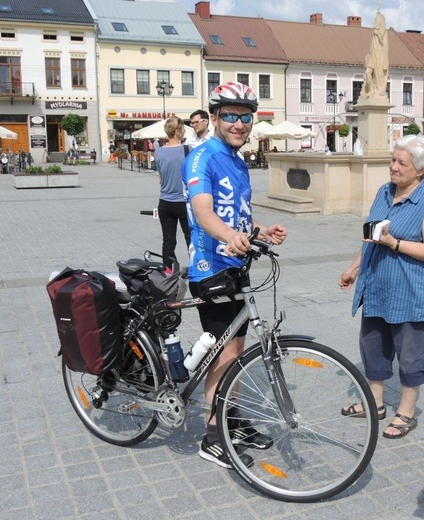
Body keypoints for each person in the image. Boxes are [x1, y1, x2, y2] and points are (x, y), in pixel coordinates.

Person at [182, 81, 288, 468]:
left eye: (245, 116)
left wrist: (261, 231)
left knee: (237, 353)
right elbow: (205, 211)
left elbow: (239, 215)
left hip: (237, 269)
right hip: (210, 269)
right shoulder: (201, 158)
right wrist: (229, 236)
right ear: (214, 118)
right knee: (223, 354)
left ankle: (234, 420)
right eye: (230, 115)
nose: (239, 123)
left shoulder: (238, 160)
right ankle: (213, 434)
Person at [339, 134, 424, 440]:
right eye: (393, 160)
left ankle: (407, 412)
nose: (394, 167)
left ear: (420, 170)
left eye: (402, 163)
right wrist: (353, 268)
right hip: (377, 287)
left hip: (410, 293)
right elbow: (372, 236)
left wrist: (395, 243)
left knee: (410, 353)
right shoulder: (384, 192)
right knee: (373, 347)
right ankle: (374, 405)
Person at [154, 116, 191, 270]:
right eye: (182, 129)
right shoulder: (188, 150)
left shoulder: (158, 152)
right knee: (191, 239)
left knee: (168, 241)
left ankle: (169, 272)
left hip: (165, 202)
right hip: (184, 203)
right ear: (177, 131)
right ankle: (197, 269)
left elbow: (161, 178)